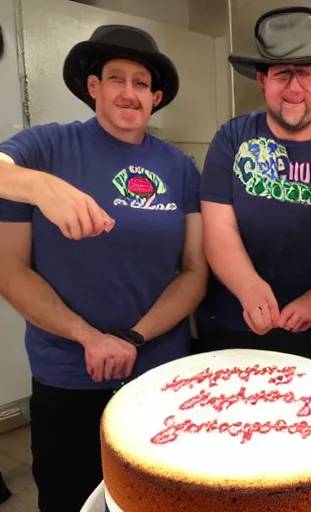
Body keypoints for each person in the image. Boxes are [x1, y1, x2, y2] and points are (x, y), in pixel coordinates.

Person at [0, 25, 208, 512]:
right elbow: (10, 271)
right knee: (70, 496)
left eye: (141, 83)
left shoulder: (179, 167)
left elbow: (194, 270)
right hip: (66, 373)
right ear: (93, 87)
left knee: (159, 496)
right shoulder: (46, 147)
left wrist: (133, 338)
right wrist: (37, 186)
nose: (129, 93)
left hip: (159, 369)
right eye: (116, 78)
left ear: (155, 98)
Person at [194, 6, 311, 370]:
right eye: (283, 74)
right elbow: (217, 228)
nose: (295, 88)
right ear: (262, 80)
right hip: (229, 321)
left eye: (308, 74)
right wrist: (248, 287)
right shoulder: (231, 138)